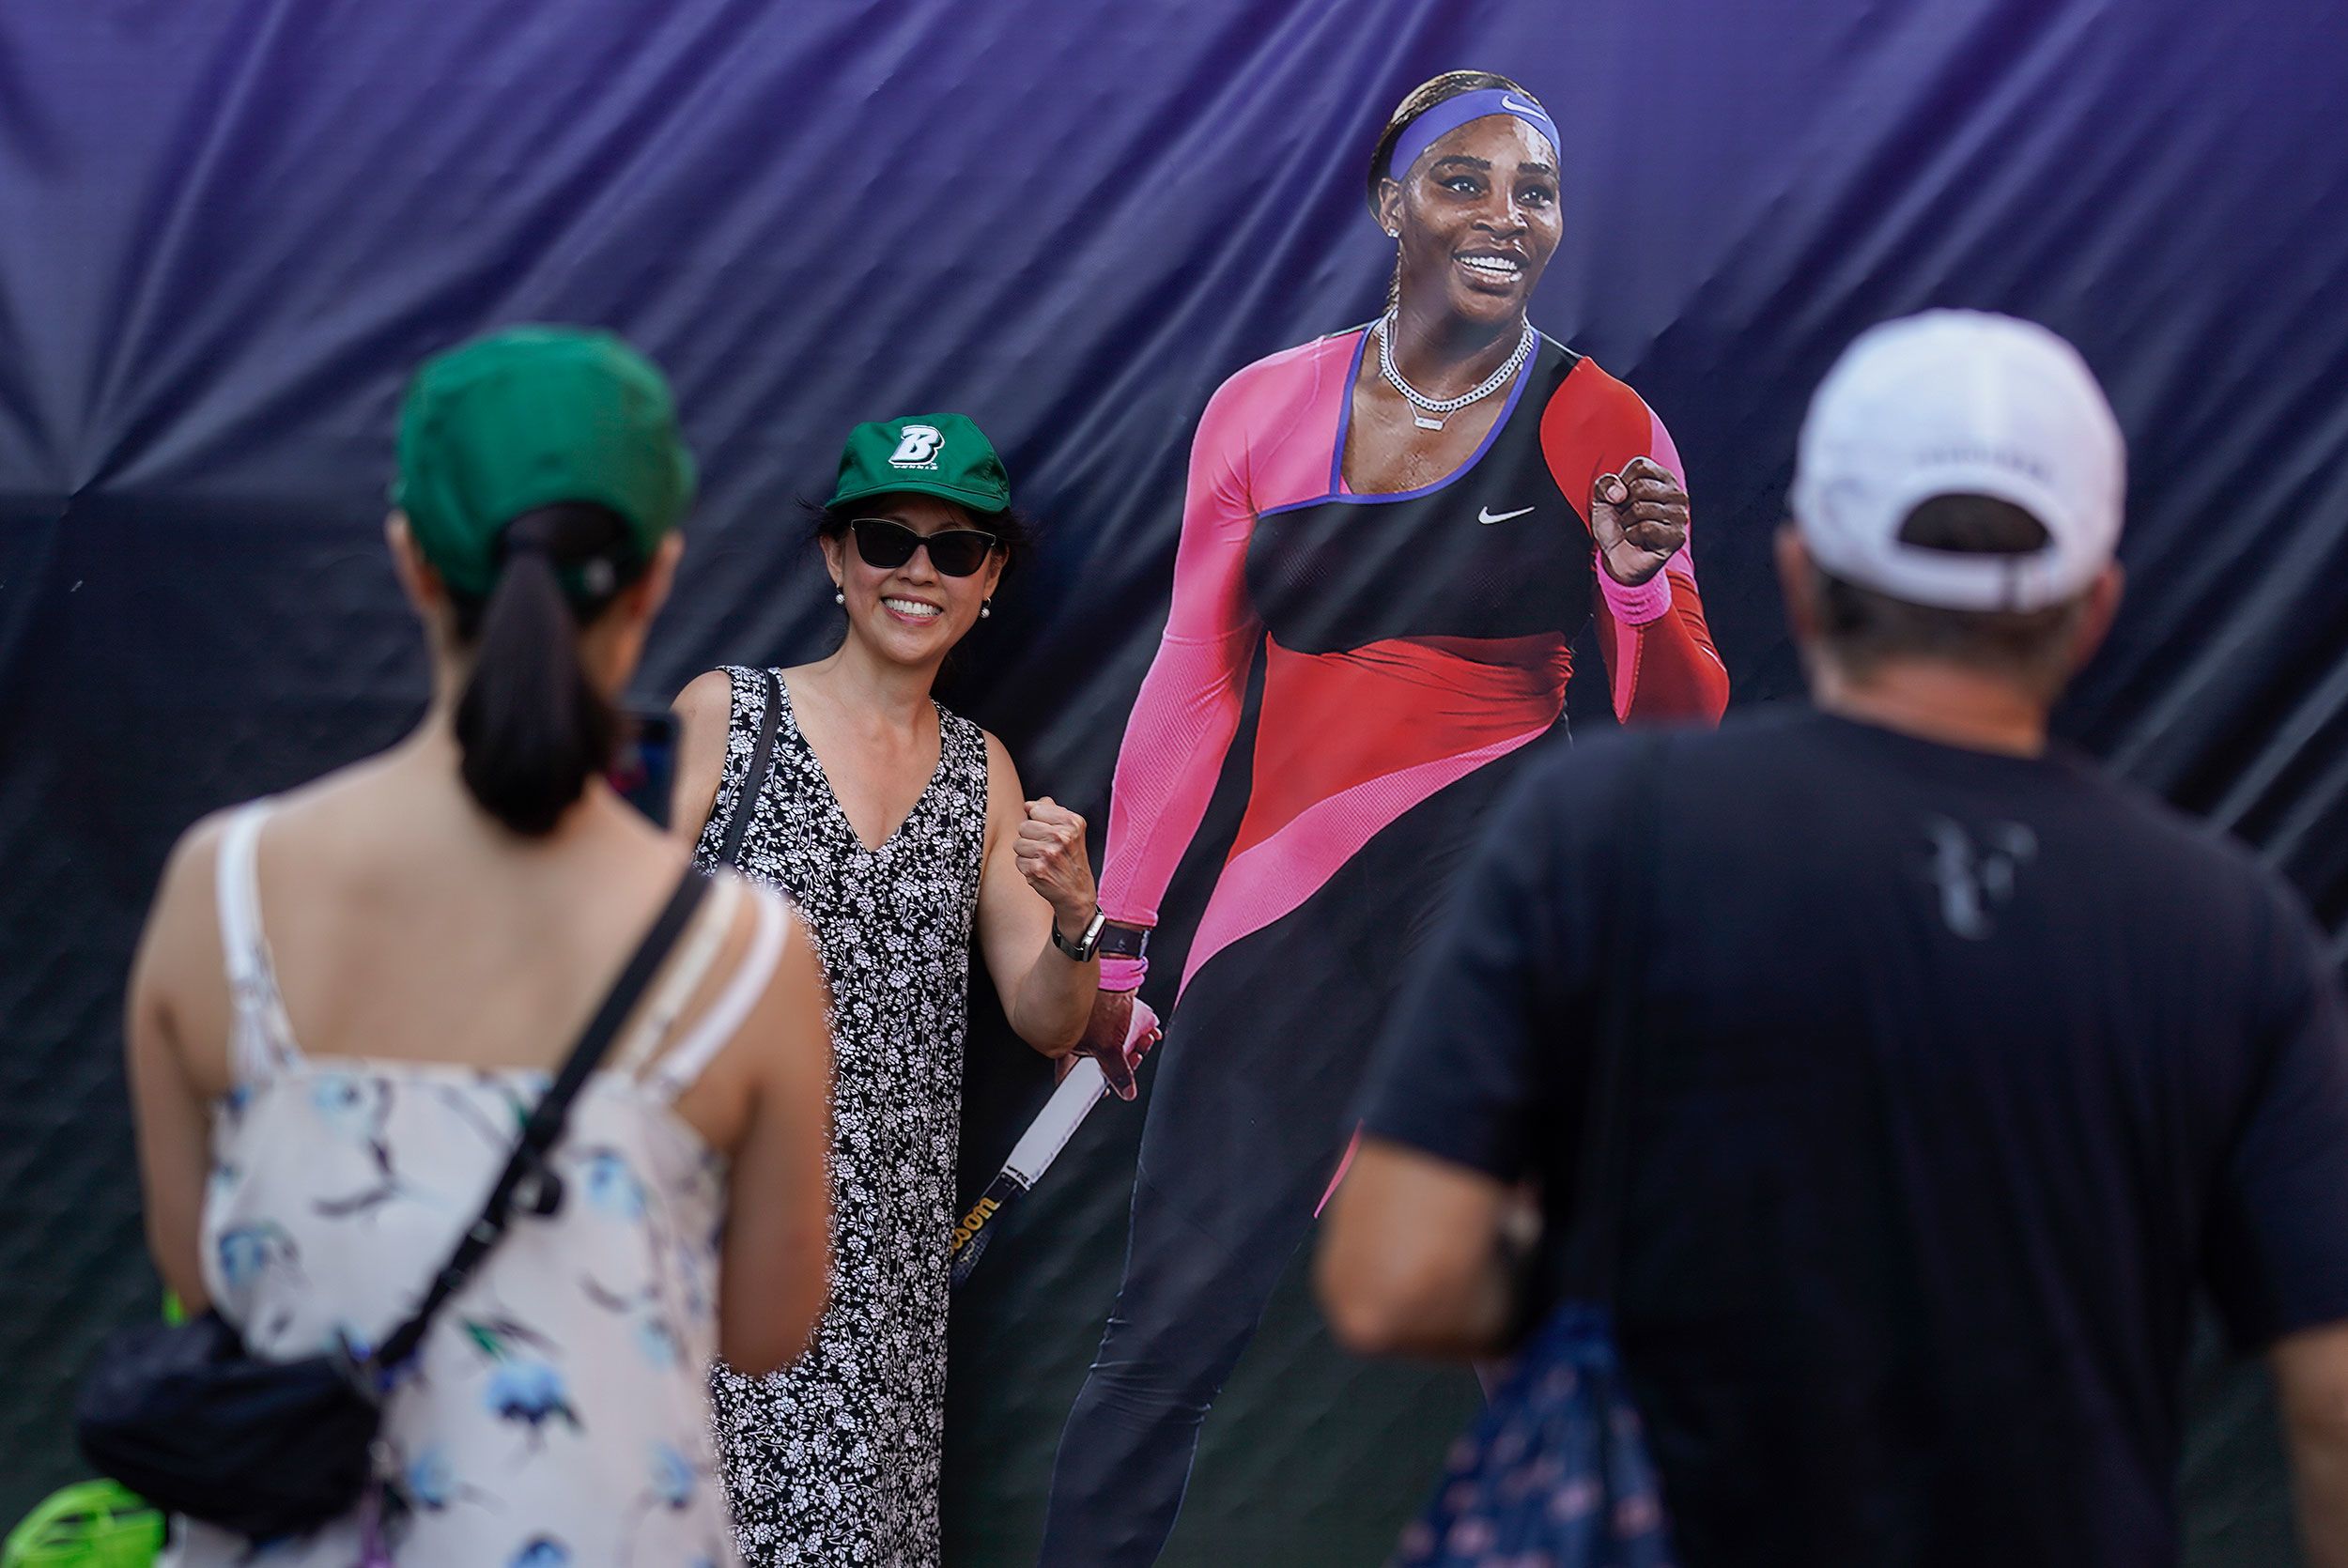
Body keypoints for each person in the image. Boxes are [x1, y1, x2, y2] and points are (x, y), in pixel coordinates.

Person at [1318, 310, 2348, 1566]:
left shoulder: (1604, 831)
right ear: (2094, 607)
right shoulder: (2227, 929)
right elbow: (2334, 1396)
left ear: (1801, 577)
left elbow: (1398, 1272)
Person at [1035, 69, 1730, 1564]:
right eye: (1465, 181)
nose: (1504, 215)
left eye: (1534, 189)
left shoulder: (1605, 424)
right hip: (1280, 913)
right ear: (1390, 203)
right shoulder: (1260, 408)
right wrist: (1120, 949)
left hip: (1490, 878)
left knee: (1526, 1299)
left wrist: (1630, 583)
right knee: (1163, 1332)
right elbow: (1193, 684)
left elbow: (1681, 732)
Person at [124, 327, 835, 1567]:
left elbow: (201, 1264)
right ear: (657, 574)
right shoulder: (746, 954)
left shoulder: (220, 889)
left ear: (410, 559)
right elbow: (770, 1326)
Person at [672, 412, 1104, 1566]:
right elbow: (597, 955)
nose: (919, 570)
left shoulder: (984, 769)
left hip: (882, 1284)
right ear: (833, 556)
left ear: (991, 576)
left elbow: (1044, 1014)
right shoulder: (724, 715)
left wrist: (1074, 919)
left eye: (957, 549)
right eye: (885, 539)